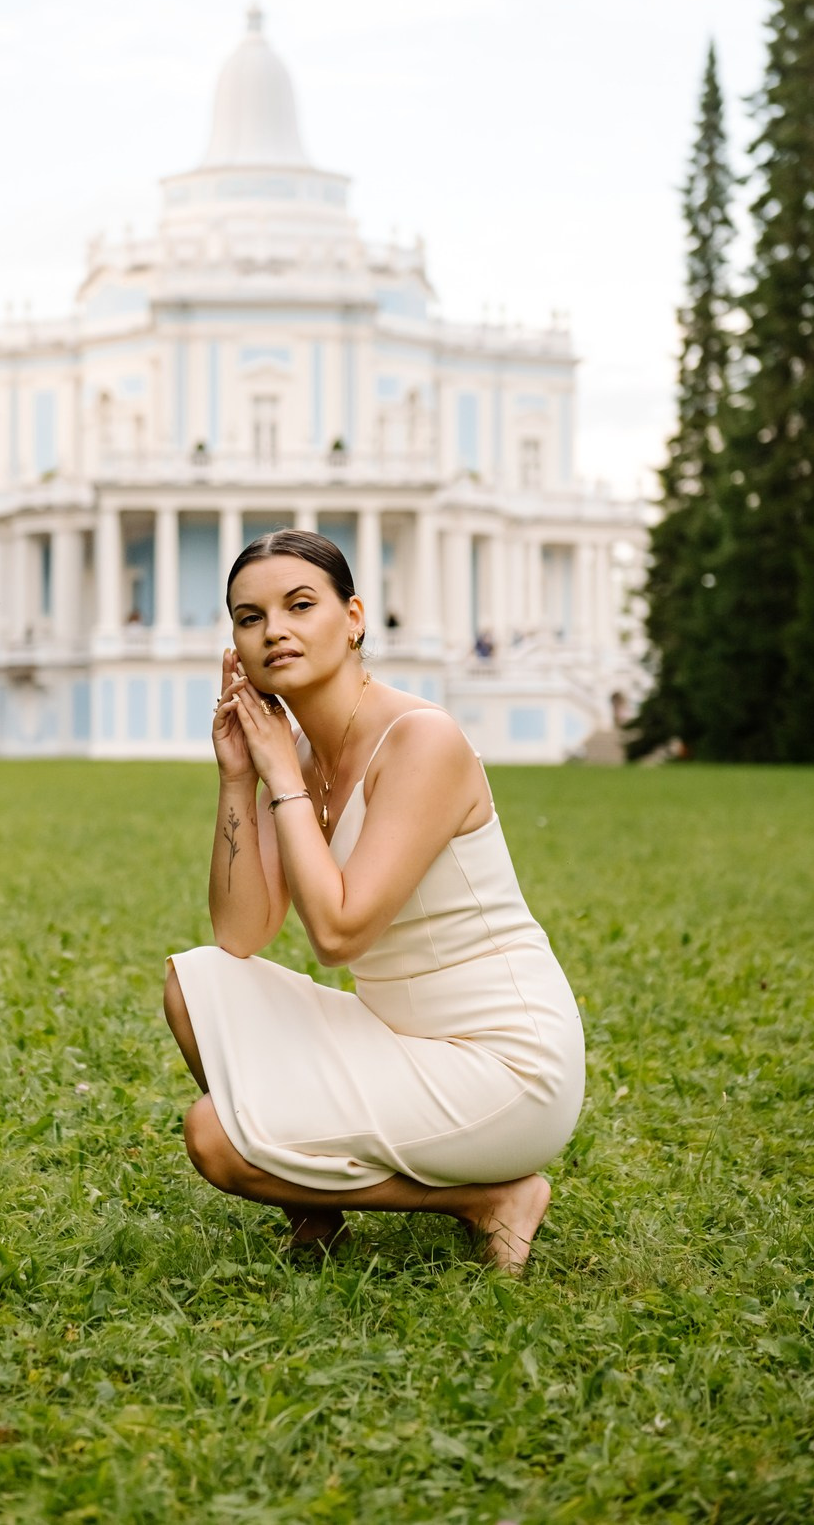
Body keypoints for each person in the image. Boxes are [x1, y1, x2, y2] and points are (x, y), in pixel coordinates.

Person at [164, 530, 585, 1274]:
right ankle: (317, 1209)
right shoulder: (291, 759)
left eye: (300, 605)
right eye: (249, 617)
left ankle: (488, 1199)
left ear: (354, 617)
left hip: (506, 1066)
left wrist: (283, 782)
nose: (275, 631)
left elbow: (339, 932)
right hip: (400, 1036)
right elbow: (241, 933)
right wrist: (239, 778)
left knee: (216, 1137)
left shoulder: (422, 740)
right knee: (195, 983)